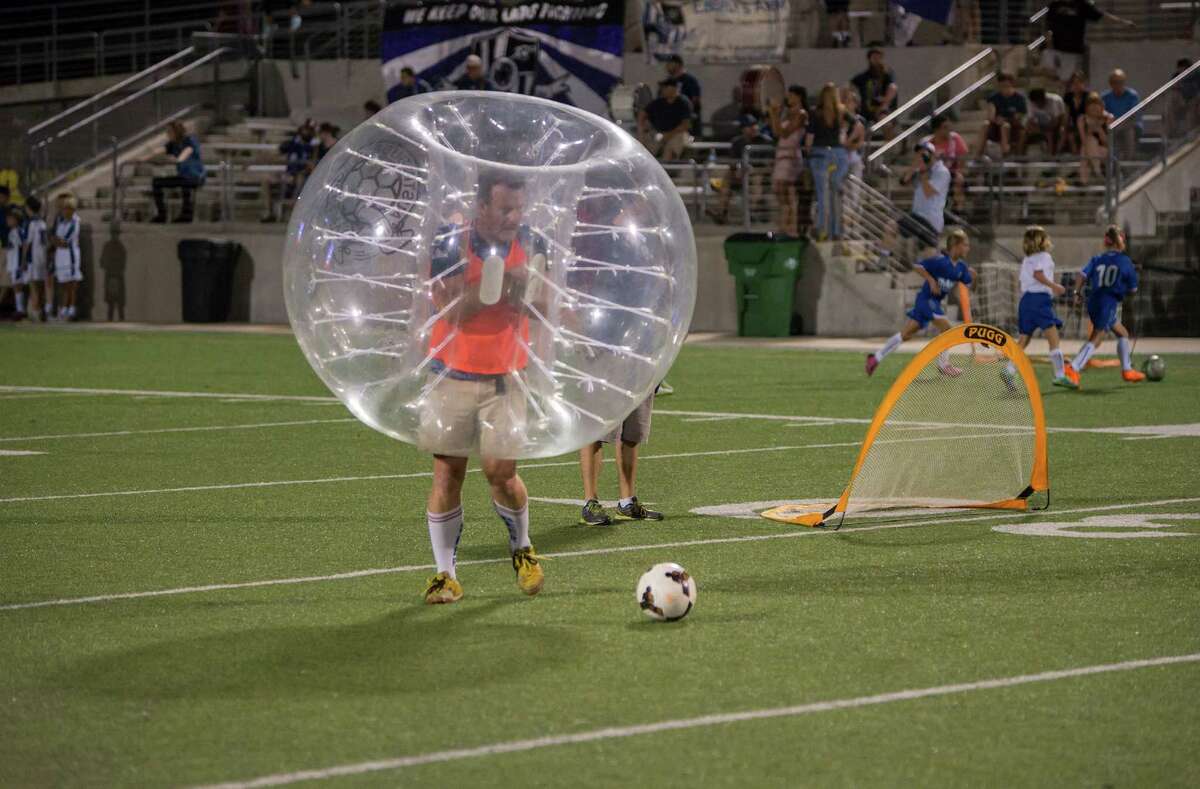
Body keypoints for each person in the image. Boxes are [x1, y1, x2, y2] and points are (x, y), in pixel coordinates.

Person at [418, 169, 546, 604]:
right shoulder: (449, 241)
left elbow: (545, 302)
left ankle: (522, 549)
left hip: (507, 375)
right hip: (450, 371)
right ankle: (444, 574)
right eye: (505, 208)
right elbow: (448, 309)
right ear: (482, 207)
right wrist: (502, 285)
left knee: (500, 472)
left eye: (519, 208)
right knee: (447, 474)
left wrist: (524, 290)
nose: (514, 217)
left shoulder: (531, 242)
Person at [866, 229, 973, 377]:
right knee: (947, 329)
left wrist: (975, 277)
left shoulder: (961, 268)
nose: (968, 248)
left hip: (933, 303)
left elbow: (969, 285)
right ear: (955, 245)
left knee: (906, 334)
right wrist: (930, 280)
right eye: (965, 245)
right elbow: (917, 266)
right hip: (926, 300)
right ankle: (944, 365)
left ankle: (875, 358)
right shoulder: (940, 261)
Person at [1064, 225, 1145, 386]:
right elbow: (1133, 289)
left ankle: (1127, 370)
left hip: (1094, 300)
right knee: (1097, 337)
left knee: (1122, 333)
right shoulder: (1125, 261)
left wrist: (1076, 293)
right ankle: (1073, 368)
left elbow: (1082, 275)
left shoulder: (1098, 259)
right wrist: (1132, 274)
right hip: (1108, 302)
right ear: (1120, 242)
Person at [578, 393, 664, 526]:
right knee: (595, 431)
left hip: (638, 373)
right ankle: (590, 503)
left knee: (632, 431)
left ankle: (627, 504)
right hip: (605, 375)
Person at [1007, 226, 1076, 390]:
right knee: (1053, 336)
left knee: (1024, 339)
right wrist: (1055, 286)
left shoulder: (1027, 259)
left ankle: (1009, 370)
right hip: (1040, 300)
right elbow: (1038, 274)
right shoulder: (1044, 256)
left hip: (1026, 301)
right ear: (1042, 241)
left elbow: (1024, 280)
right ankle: (1060, 376)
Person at [1042, 0, 1134, 86]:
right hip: (1054, 47)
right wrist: (1048, 40)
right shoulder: (1055, 5)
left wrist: (1123, 22)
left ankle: (1062, 92)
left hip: (1071, 49)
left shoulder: (1081, 5)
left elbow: (1102, 16)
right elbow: (1047, 24)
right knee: (1047, 67)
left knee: (1065, 78)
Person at [805, 82, 852, 241]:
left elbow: (810, 138)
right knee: (835, 194)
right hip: (839, 154)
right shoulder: (842, 112)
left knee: (822, 193)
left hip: (820, 154)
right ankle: (837, 231)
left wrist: (807, 152)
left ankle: (822, 228)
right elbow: (858, 124)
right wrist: (847, 141)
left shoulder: (815, 113)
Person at [709, 115, 769, 224]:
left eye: (754, 125)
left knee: (756, 179)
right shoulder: (737, 142)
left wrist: (752, 170)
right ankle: (721, 213)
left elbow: (768, 165)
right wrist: (737, 170)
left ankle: (751, 213)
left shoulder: (764, 141)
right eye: (749, 126)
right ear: (743, 129)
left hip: (759, 174)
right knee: (727, 177)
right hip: (742, 174)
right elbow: (733, 163)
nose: (753, 128)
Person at [894, 141, 950, 258]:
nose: (921, 157)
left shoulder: (941, 171)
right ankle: (884, 260)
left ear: (932, 155)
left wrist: (924, 173)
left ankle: (942, 261)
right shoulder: (919, 170)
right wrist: (914, 167)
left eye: (924, 154)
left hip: (931, 219)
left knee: (928, 253)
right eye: (918, 154)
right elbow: (903, 182)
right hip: (917, 216)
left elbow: (929, 192)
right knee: (892, 227)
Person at [767, 86, 808, 237]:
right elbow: (777, 132)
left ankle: (790, 228)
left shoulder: (802, 114)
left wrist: (775, 115)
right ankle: (784, 226)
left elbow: (786, 132)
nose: (788, 98)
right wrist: (774, 114)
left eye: (791, 95)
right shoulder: (786, 115)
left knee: (787, 193)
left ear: (799, 97)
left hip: (790, 157)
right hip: (781, 155)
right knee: (780, 193)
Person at [151, 121, 205, 223]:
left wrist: (179, 160)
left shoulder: (189, 140)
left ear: (176, 132)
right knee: (157, 182)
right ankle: (161, 214)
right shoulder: (172, 144)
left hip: (195, 176)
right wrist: (141, 159)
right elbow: (160, 151)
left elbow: (188, 151)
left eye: (169, 132)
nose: (167, 134)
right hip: (183, 176)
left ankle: (186, 215)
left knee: (186, 182)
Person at [264, 121, 317, 223]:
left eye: (309, 130)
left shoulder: (313, 147)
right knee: (267, 180)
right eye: (305, 130)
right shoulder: (292, 144)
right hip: (289, 174)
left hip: (302, 175)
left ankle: (294, 214)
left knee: (300, 180)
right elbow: (276, 154)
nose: (306, 133)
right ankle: (269, 212)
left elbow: (312, 165)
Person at [637, 78, 694, 162]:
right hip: (659, 133)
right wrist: (641, 128)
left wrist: (668, 135)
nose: (662, 89)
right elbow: (643, 114)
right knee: (646, 147)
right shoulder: (658, 102)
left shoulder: (683, 102)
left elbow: (685, 125)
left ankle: (668, 169)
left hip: (677, 134)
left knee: (671, 147)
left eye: (665, 87)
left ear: (673, 88)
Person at [924, 114, 968, 212]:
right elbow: (924, 163)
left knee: (959, 179)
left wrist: (959, 170)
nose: (948, 130)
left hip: (952, 172)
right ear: (936, 130)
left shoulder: (955, 138)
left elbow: (963, 159)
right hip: (934, 174)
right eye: (945, 128)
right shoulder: (928, 143)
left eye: (949, 127)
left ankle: (958, 211)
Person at [851, 49, 898, 138]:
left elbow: (893, 88)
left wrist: (884, 103)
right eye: (874, 58)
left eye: (879, 58)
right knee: (854, 125)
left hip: (883, 110)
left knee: (886, 123)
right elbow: (849, 88)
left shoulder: (887, 74)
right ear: (869, 59)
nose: (877, 60)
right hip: (866, 111)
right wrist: (854, 102)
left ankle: (890, 147)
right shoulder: (863, 77)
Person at [977, 72, 1027, 157]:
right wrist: (996, 120)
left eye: (1007, 86)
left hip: (1013, 125)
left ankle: (1005, 152)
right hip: (997, 124)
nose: (1004, 89)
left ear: (1012, 85)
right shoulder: (993, 98)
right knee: (985, 124)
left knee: (1005, 126)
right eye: (1002, 86)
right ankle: (979, 153)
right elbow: (991, 114)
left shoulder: (1019, 98)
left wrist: (1006, 120)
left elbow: (1019, 116)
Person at [50, 193, 82, 321]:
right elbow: (54, 238)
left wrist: (56, 240)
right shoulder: (60, 221)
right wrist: (55, 241)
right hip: (60, 256)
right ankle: (64, 308)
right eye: (63, 208)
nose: (64, 211)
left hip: (70, 256)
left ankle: (71, 309)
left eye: (67, 208)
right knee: (63, 284)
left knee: (72, 284)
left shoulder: (75, 222)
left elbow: (64, 242)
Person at [1101, 69, 1141, 158]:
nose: (1118, 85)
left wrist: (1119, 125)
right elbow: (1101, 112)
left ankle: (1128, 160)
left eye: (1120, 82)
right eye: (1115, 82)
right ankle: (1113, 162)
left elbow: (1133, 114)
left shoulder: (1132, 95)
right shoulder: (1105, 97)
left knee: (1128, 131)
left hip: (1130, 125)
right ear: (1110, 83)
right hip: (1112, 126)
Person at [1077, 91, 1112, 186]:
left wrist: (1099, 130)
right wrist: (1089, 132)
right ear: (1086, 107)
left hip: (1105, 151)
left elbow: (1108, 144)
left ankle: (1084, 181)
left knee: (1086, 151)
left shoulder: (1108, 118)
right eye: (1091, 104)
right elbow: (1083, 141)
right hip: (1089, 151)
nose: (1094, 107)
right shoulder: (1082, 119)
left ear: (1101, 106)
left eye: (1096, 104)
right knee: (1089, 141)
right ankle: (1097, 173)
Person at [23, 196, 47, 322]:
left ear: (28, 208)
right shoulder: (42, 223)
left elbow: (27, 243)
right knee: (40, 286)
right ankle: (41, 311)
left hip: (33, 258)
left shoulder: (30, 223)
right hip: (42, 258)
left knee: (33, 286)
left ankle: (36, 313)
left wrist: (23, 260)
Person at [1025, 87, 1068, 156]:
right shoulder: (1031, 102)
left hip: (1059, 121)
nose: (1038, 105)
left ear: (1043, 100)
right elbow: (1030, 120)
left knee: (1058, 132)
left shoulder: (1054, 100)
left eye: (1039, 103)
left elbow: (1056, 121)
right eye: (1036, 103)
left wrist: (1047, 130)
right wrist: (1030, 129)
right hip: (1042, 122)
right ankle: (1021, 155)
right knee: (1025, 131)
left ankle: (1053, 155)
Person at [664, 54, 701, 133]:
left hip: (688, 124)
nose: (667, 66)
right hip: (671, 125)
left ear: (677, 64)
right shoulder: (668, 82)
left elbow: (694, 100)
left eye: (669, 63)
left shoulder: (689, 80)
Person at [4, 208, 26, 319]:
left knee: (18, 286)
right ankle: (19, 309)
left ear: (16, 220)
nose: (8, 221)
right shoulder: (11, 232)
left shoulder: (19, 231)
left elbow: (23, 247)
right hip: (12, 263)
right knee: (15, 286)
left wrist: (22, 262)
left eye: (10, 219)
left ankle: (20, 309)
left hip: (17, 263)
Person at [1062, 70, 1090, 154]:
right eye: (1074, 83)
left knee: (1080, 124)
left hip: (1086, 124)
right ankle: (1056, 155)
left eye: (1079, 83)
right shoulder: (1068, 97)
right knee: (1066, 133)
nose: (1076, 86)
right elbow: (1067, 114)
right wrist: (1064, 126)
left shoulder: (1088, 96)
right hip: (1074, 125)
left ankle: (1082, 154)